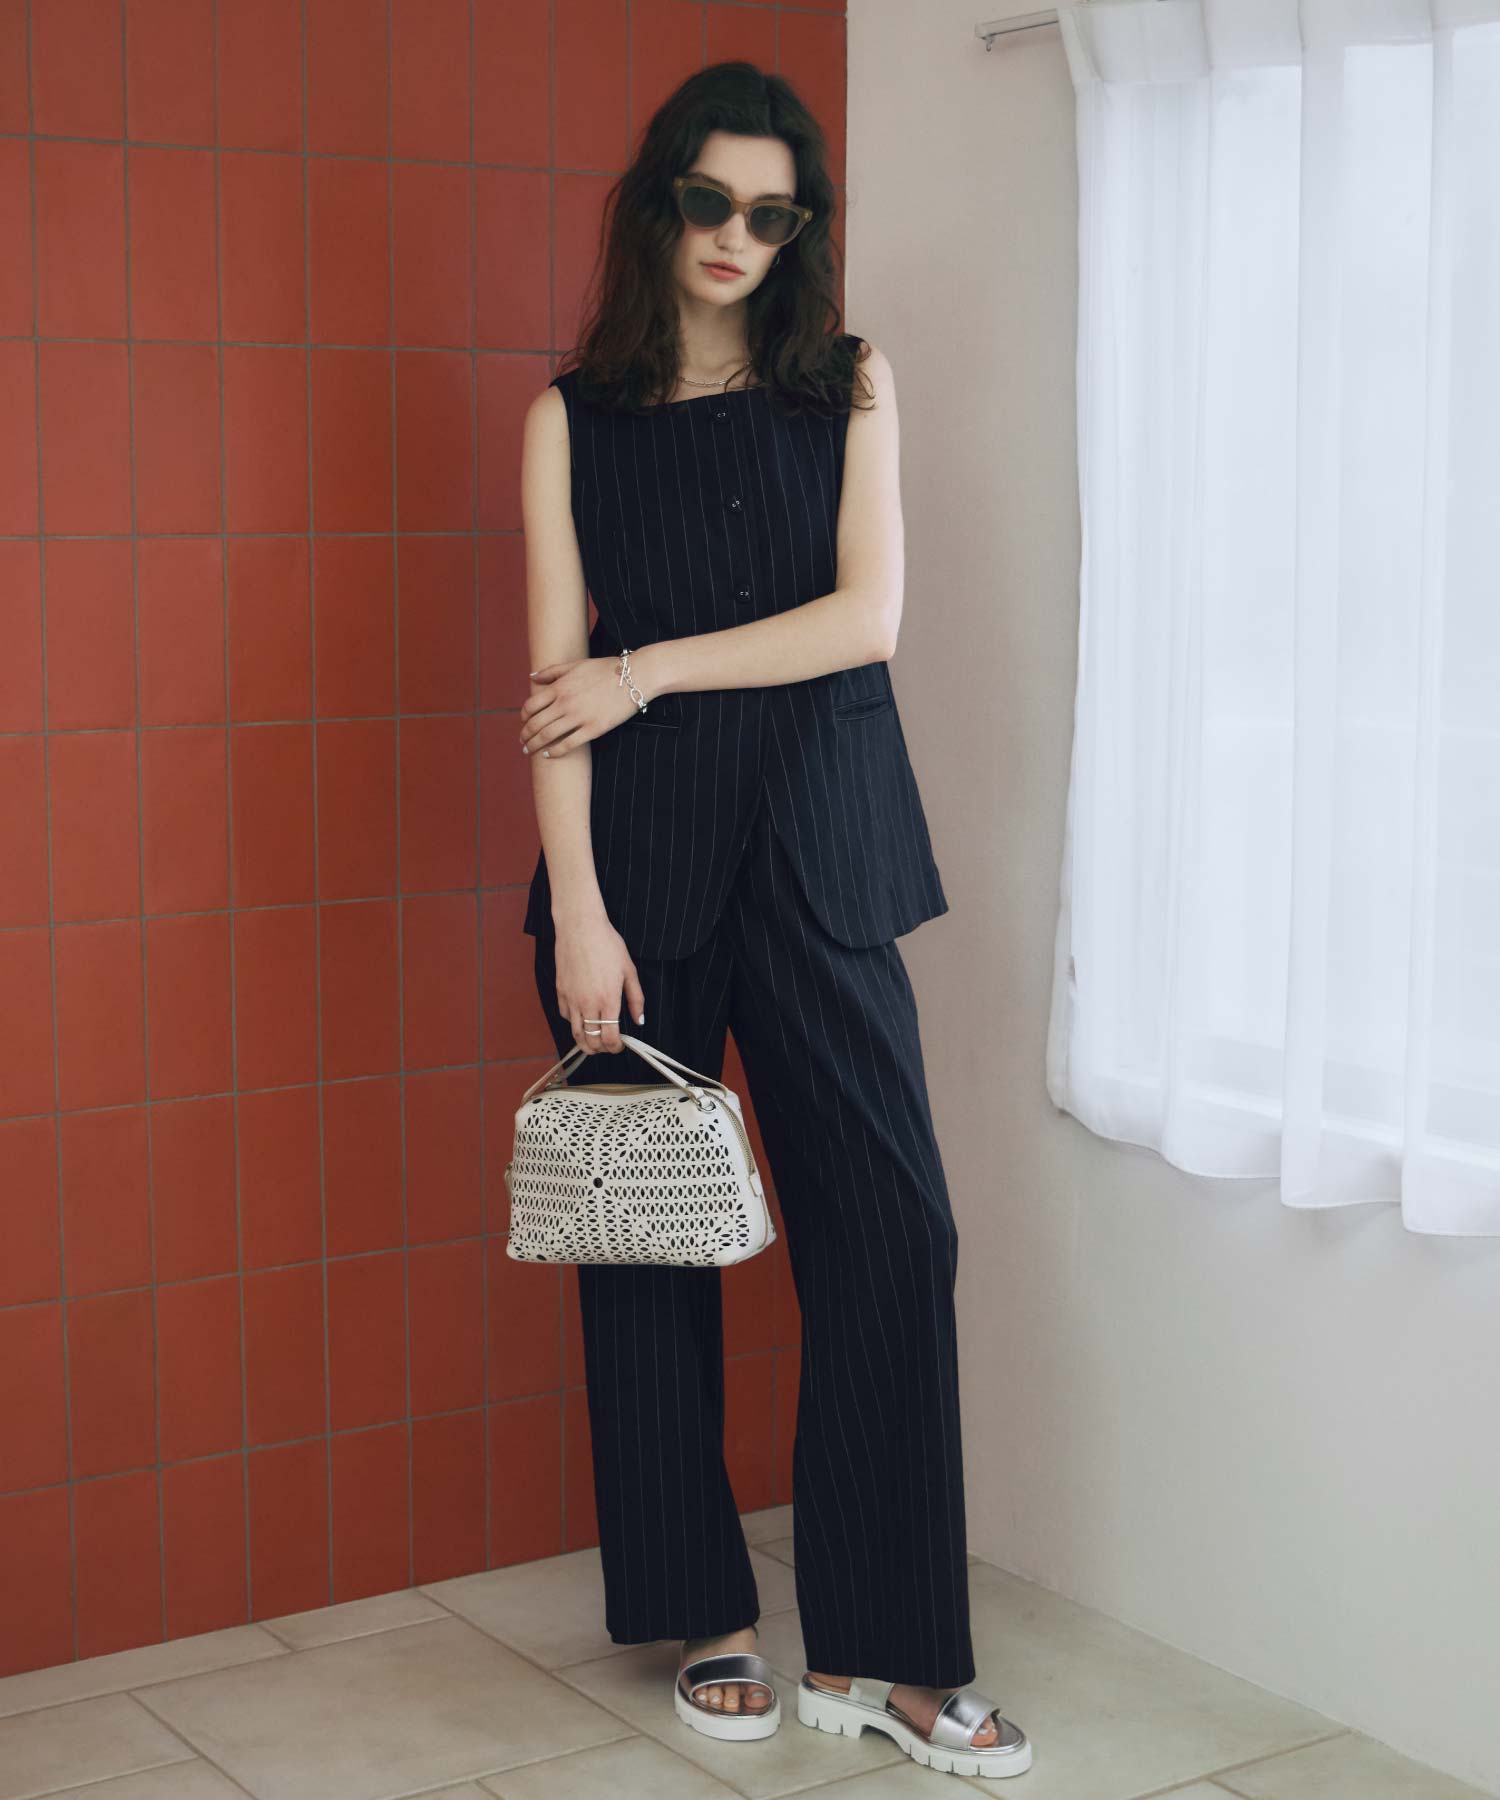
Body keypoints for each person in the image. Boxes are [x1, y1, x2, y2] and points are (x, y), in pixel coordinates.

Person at [515, 61, 1030, 1782]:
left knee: (893, 1234)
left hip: (824, 851)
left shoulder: (848, 382)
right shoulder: (573, 418)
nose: (739, 236)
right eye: (710, 201)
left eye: (774, 211)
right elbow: (553, 695)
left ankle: (889, 1653)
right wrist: (578, 912)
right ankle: (705, 1614)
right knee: (647, 1245)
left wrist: (647, 666)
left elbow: (864, 620)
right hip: (638, 875)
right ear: (659, 201)